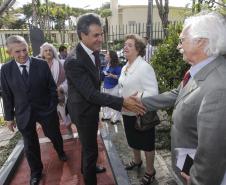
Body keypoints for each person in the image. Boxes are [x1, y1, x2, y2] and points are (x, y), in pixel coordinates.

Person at [132, 12, 226, 185]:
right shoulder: (199, 69)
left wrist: (198, 181)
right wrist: (142, 101)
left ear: (201, 41)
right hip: (187, 159)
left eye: (182, 40)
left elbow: (213, 151)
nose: (178, 46)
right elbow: (178, 93)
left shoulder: (218, 87)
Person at [64, 13, 145, 185]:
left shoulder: (93, 53)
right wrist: (122, 101)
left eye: (101, 34)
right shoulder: (73, 61)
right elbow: (91, 94)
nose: (100, 38)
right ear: (82, 35)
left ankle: (89, 167)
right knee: (90, 149)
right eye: (96, 35)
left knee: (89, 144)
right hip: (83, 111)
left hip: (91, 107)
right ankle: (89, 176)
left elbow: (95, 80)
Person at [1, 35, 67, 185]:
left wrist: (52, 106)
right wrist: (9, 117)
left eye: (24, 50)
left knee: (54, 134)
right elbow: (7, 95)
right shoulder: (5, 70)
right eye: (18, 52)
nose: (23, 54)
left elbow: (51, 88)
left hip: (46, 110)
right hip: (24, 113)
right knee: (30, 145)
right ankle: (36, 172)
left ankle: (60, 151)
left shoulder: (41, 64)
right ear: (9, 52)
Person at [118, 34, 158, 185]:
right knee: (133, 141)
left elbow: (154, 92)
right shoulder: (125, 66)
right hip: (127, 112)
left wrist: (138, 97)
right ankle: (137, 161)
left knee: (147, 144)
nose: (125, 47)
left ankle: (150, 171)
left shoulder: (144, 67)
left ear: (138, 49)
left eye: (129, 45)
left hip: (141, 113)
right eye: (125, 44)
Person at [39, 42, 73, 136]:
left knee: (66, 116)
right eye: (45, 50)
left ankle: (69, 129)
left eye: (50, 50)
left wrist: (62, 88)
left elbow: (69, 79)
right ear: (42, 53)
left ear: (53, 52)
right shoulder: (39, 66)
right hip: (47, 98)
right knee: (51, 120)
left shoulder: (61, 63)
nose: (48, 52)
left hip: (61, 95)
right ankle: (55, 136)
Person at [101, 50, 122, 124]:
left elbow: (121, 77)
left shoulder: (117, 66)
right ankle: (107, 116)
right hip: (106, 85)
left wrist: (112, 76)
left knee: (115, 102)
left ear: (111, 57)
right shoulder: (106, 65)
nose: (105, 56)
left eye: (107, 55)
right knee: (107, 102)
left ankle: (116, 118)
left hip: (114, 86)